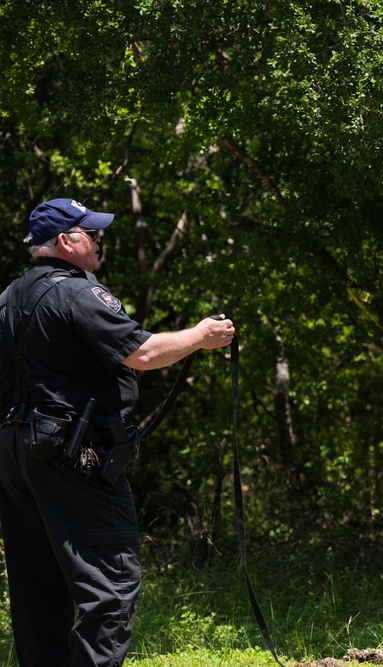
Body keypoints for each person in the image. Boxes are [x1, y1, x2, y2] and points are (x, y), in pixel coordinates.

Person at [0, 198, 235, 666]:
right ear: (68, 240)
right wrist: (201, 336)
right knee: (109, 585)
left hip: (15, 453)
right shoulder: (78, 293)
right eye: (92, 233)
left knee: (37, 591)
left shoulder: (8, 298)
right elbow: (144, 354)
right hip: (72, 453)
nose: (100, 241)